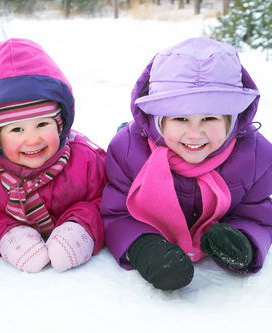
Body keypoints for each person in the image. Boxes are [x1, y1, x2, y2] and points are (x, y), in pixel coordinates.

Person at [101, 37, 272, 290]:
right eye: (181, 118)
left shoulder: (256, 155)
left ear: (233, 120)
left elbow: (256, 212)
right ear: (158, 120)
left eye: (209, 118)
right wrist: (143, 247)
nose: (194, 134)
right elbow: (116, 213)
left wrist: (243, 241)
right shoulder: (127, 151)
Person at [0, 38, 107, 273]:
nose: (32, 139)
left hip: (73, 228)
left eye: (42, 124)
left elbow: (105, 201)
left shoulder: (86, 159)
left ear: (61, 124)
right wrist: (6, 233)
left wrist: (80, 225)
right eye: (16, 130)